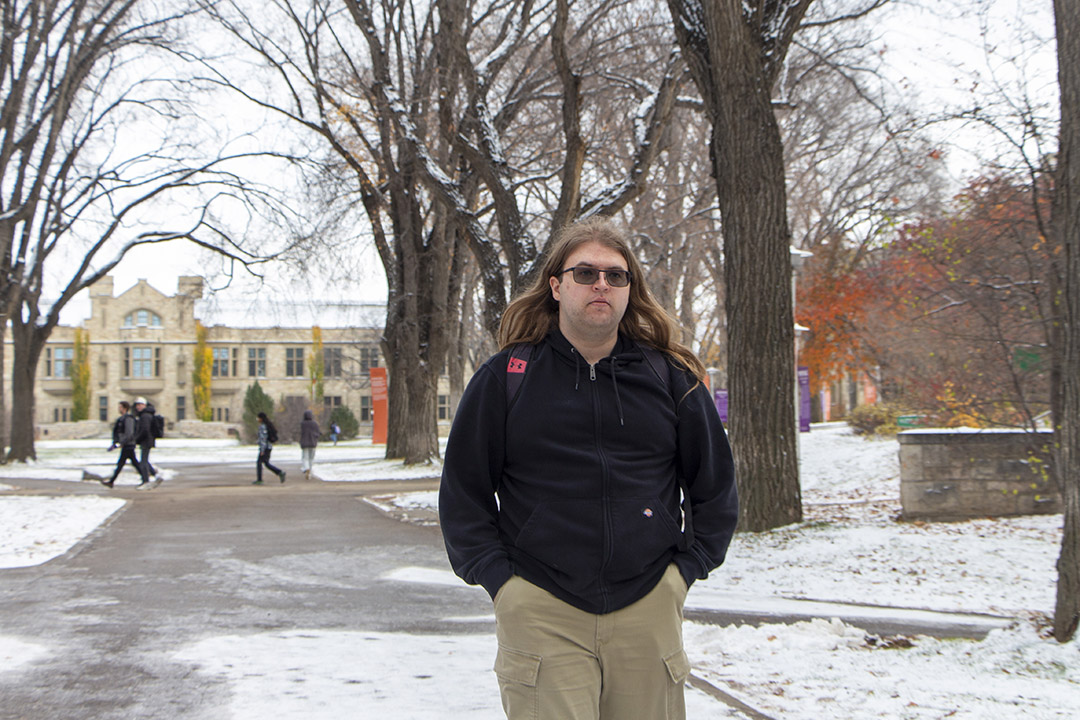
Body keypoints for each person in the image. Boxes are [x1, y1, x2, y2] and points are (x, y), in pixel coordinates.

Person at [439, 216, 738, 720]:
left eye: (615, 275)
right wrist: (502, 585)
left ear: (629, 290)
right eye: (585, 273)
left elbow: (715, 488)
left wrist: (684, 573)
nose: (602, 284)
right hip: (541, 605)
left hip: (648, 606)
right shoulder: (506, 378)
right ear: (556, 286)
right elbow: (463, 494)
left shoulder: (671, 378)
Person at [102, 401, 140, 488]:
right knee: (132, 462)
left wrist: (122, 443)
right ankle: (145, 478)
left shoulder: (128, 419)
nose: (119, 409)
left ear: (125, 408)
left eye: (120, 407)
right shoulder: (122, 419)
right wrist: (116, 443)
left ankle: (111, 481)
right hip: (126, 444)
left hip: (128, 444)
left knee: (123, 463)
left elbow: (129, 433)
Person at [132, 397, 160, 489]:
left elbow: (145, 430)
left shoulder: (145, 416)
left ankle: (146, 481)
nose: (138, 407)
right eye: (137, 405)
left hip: (146, 440)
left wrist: (137, 439)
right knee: (145, 460)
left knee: (143, 462)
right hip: (147, 440)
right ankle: (155, 475)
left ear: (144, 405)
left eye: (140, 405)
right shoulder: (145, 415)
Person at [254, 412, 286, 485]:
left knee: (259, 463)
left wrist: (262, 450)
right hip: (269, 447)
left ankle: (260, 479)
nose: (257, 419)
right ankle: (279, 472)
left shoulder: (262, 427)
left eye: (258, 418)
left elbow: (263, 439)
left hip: (265, 448)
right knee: (266, 463)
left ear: (261, 419)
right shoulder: (268, 425)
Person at [299, 409, 320, 480]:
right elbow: (318, 433)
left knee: (305, 458)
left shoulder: (302, 424)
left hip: (304, 443)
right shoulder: (315, 424)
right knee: (311, 458)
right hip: (313, 443)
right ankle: (310, 471)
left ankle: (306, 468)